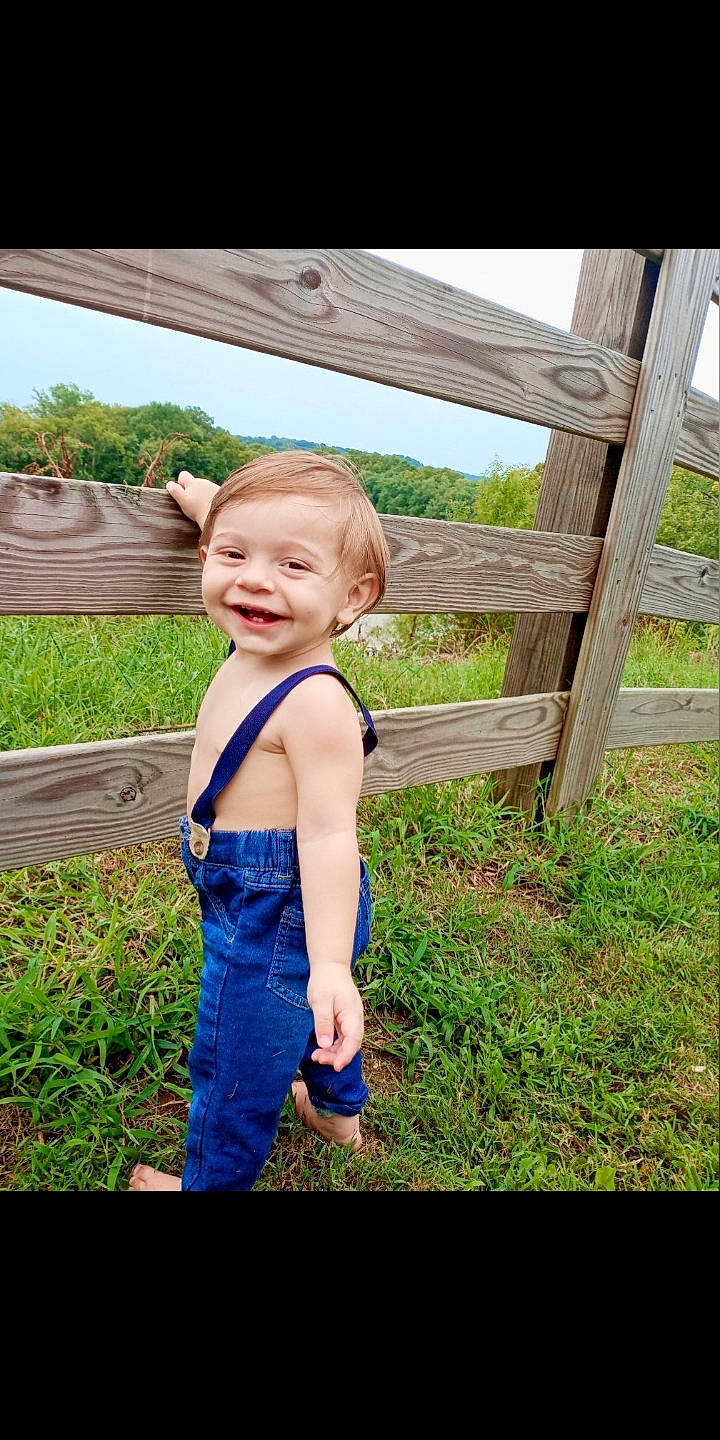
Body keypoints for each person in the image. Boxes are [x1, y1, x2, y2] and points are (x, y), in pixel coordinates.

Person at [129, 451, 389, 1190]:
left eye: (293, 566)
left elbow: (332, 835)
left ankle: (210, 1183)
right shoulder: (262, 635)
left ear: (353, 598)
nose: (253, 579)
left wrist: (332, 963)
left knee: (235, 1057)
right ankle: (338, 1112)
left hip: (282, 904)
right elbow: (256, 548)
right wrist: (215, 508)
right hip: (260, 890)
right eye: (234, 553)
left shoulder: (313, 701)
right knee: (304, 1005)